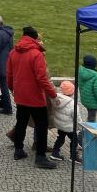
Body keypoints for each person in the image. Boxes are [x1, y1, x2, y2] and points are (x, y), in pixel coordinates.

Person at [6, 26, 57, 169]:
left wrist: (12, 89)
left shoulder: (13, 52)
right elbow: (42, 78)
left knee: (21, 122)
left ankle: (18, 150)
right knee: (42, 125)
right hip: (35, 97)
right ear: (35, 38)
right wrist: (52, 94)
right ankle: (40, 157)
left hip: (20, 95)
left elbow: (9, 75)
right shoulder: (36, 54)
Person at [49, 81, 82, 163]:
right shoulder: (72, 104)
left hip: (60, 124)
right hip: (69, 127)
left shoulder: (56, 99)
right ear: (72, 92)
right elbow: (76, 116)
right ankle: (73, 156)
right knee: (74, 140)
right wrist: (80, 125)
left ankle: (55, 153)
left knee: (60, 138)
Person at [78, 55, 97, 122]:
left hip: (85, 98)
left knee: (90, 115)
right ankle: (87, 131)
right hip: (93, 102)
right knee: (92, 118)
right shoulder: (96, 76)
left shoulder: (81, 71)